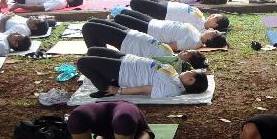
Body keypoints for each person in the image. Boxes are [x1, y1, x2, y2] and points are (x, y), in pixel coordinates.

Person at [76, 48, 209, 99]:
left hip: (124, 71)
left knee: (82, 63)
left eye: (190, 72)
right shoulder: (176, 78)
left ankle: (104, 89)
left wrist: (118, 91)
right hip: (128, 60)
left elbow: (145, 89)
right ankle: (106, 78)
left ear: (191, 80)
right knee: (93, 50)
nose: (188, 71)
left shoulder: (172, 88)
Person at [81, 19, 208, 70]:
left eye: (190, 54)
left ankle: (100, 64)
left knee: (88, 28)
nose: (187, 51)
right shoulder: (172, 57)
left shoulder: (171, 64)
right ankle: (99, 58)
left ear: (188, 62)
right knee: (93, 23)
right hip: (133, 35)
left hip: (128, 43)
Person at [113, 8, 228, 50]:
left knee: (120, 18)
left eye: (215, 32)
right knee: (125, 12)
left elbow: (169, 47)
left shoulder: (193, 42)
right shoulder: (198, 35)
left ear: (210, 39)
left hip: (151, 30)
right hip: (154, 23)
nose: (213, 30)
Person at [128, 0, 229, 31]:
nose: (212, 15)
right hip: (166, 4)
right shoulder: (201, 17)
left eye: (215, 17)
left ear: (215, 25)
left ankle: (131, 18)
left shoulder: (199, 29)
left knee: (135, 3)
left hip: (164, 13)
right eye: (215, 14)